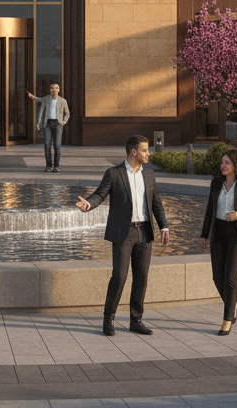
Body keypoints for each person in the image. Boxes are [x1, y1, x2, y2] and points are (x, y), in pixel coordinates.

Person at [75, 135, 169, 335]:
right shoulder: (114, 173)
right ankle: (108, 319)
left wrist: (164, 227)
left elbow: (156, 203)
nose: (148, 154)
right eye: (145, 150)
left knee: (141, 278)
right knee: (119, 276)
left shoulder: (149, 174)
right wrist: (88, 205)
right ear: (133, 152)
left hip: (144, 232)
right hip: (123, 233)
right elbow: (100, 194)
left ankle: (136, 320)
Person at [200, 148, 237, 335]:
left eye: (227, 163)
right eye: (222, 162)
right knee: (217, 277)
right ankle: (233, 303)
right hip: (218, 233)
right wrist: (204, 235)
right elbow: (210, 209)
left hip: (236, 235)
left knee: (230, 278)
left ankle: (227, 319)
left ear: (236, 165)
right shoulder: (216, 183)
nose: (223, 166)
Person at [27, 82, 70, 171]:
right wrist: (31, 96)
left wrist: (63, 122)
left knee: (57, 145)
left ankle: (56, 166)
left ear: (59, 90)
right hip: (48, 124)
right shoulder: (46, 99)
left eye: (56, 88)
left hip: (58, 124)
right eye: (52, 88)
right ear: (50, 90)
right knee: (47, 145)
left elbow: (67, 113)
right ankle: (48, 166)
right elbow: (38, 99)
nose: (54, 90)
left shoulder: (63, 101)